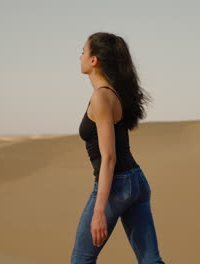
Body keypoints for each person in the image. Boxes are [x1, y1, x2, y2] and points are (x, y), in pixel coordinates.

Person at [71, 32, 166, 264]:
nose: (79, 55)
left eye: (83, 51)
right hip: (137, 181)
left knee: (81, 261)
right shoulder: (114, 94)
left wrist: (99, 210)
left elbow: (109, 157)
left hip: (118, 185)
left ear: (94, 60)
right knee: (150, 260)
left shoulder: (101, 97)